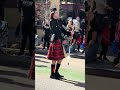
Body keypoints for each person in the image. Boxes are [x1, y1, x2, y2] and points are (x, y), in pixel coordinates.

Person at [47, 8, 73, 79]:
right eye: (56, 13)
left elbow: (63, 30)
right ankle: (52, 74)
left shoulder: (59, 21)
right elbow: (55, 32)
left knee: (60, 58)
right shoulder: (51, 22)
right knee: (54, 59)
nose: (58, 14)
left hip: (59, 41)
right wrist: (63, 39)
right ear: (53, 14)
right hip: (55, 41)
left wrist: (69, 33)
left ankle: (56, 72)